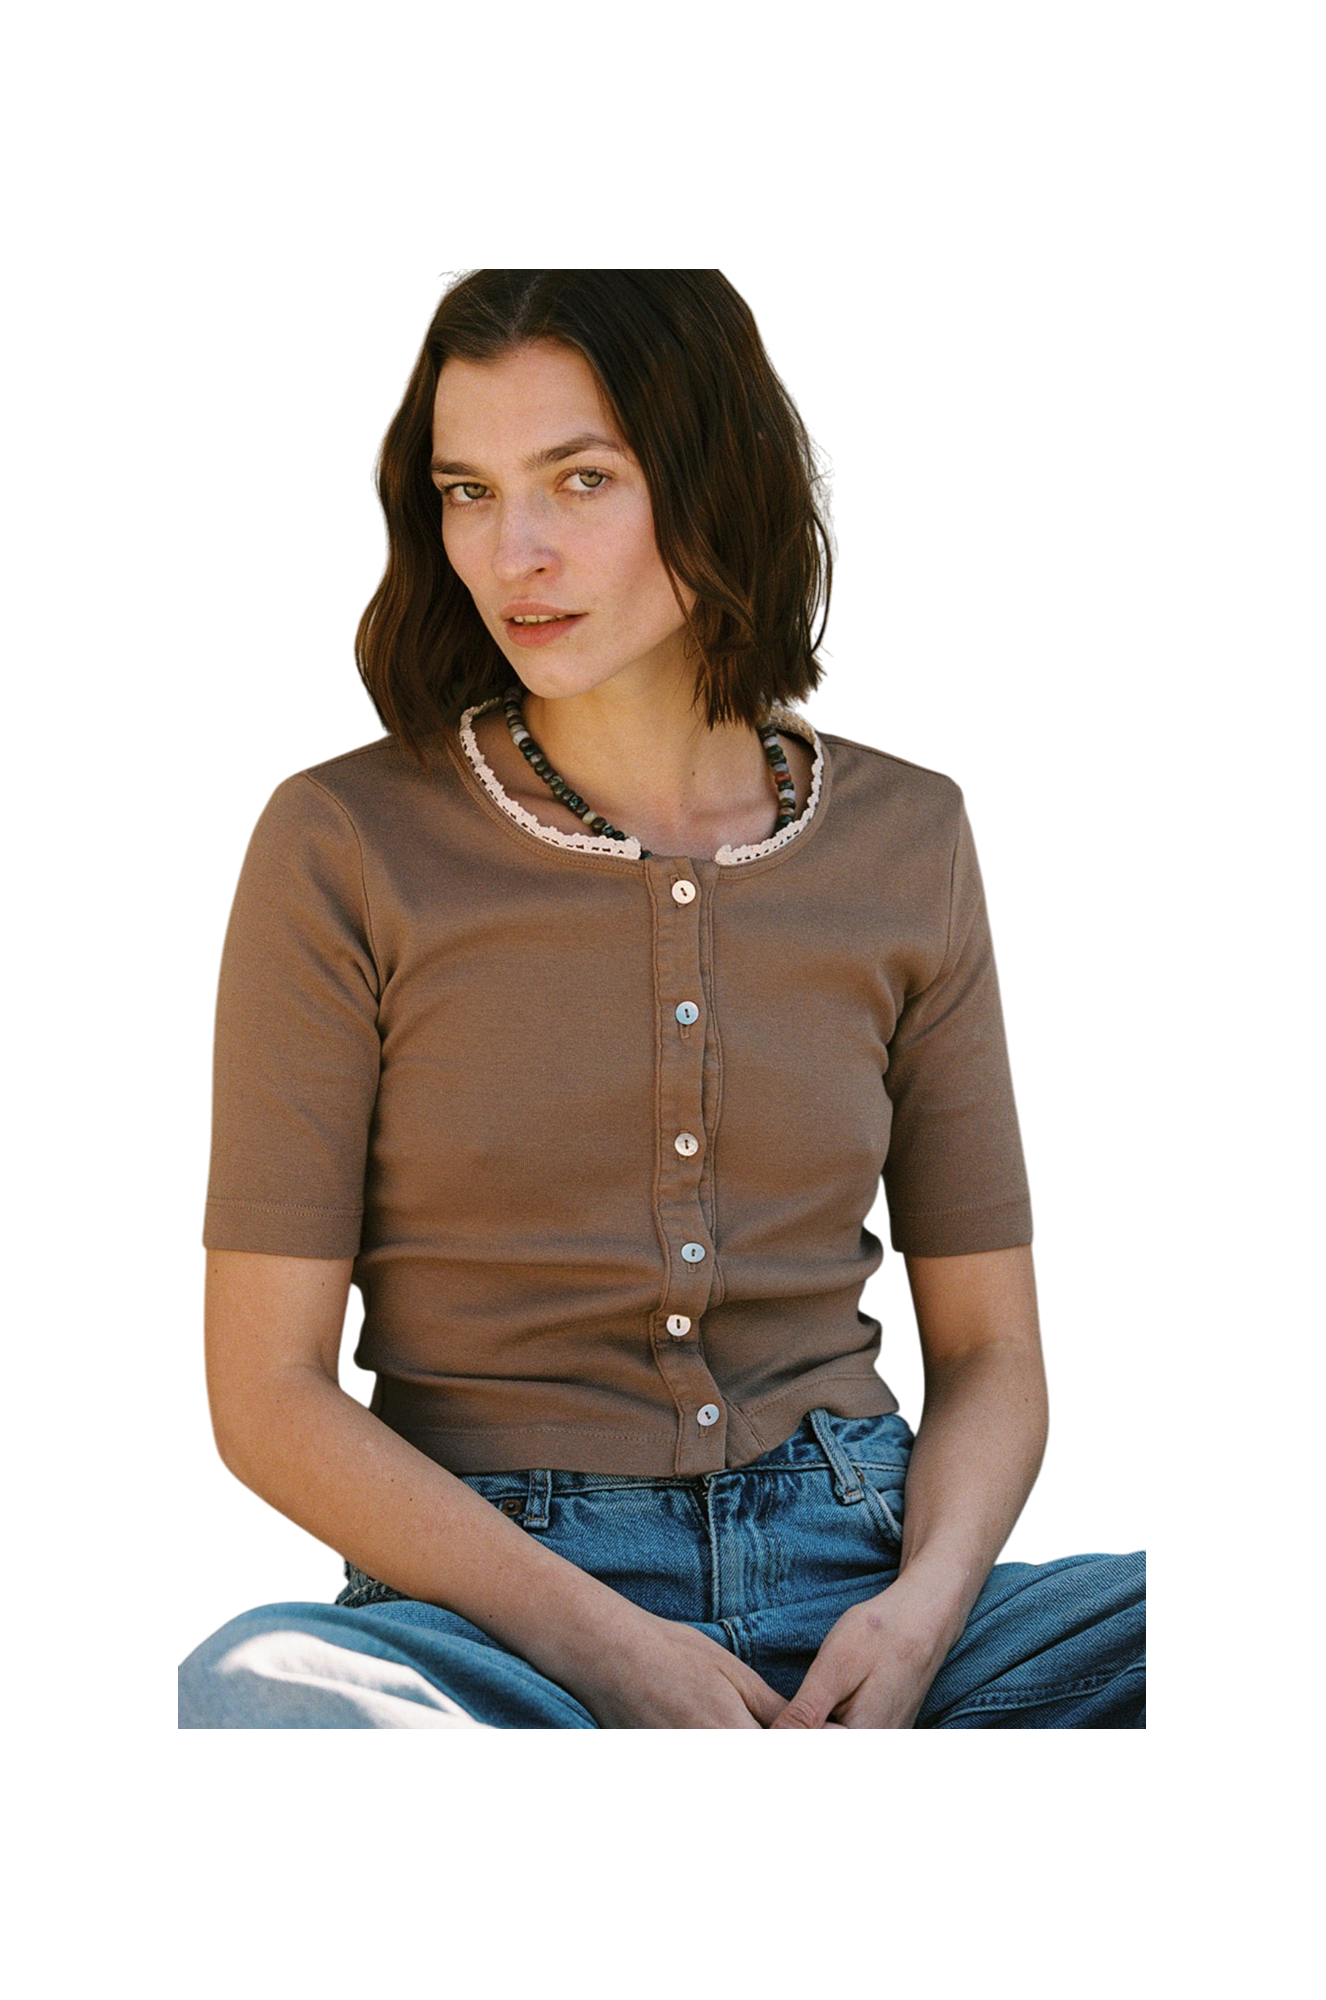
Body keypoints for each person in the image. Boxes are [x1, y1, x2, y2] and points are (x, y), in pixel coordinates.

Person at [180, 268, 1145, 1729]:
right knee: (259, 1689)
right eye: (467, 491)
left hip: (871, 1576)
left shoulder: (912, 833)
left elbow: (989, 1351)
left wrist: (921, 1616)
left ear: (718, 478)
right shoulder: (341, 841)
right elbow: (265, 1394)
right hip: (494, 1617)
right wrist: (610, 1654)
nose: (515, 551)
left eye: (580, 479)